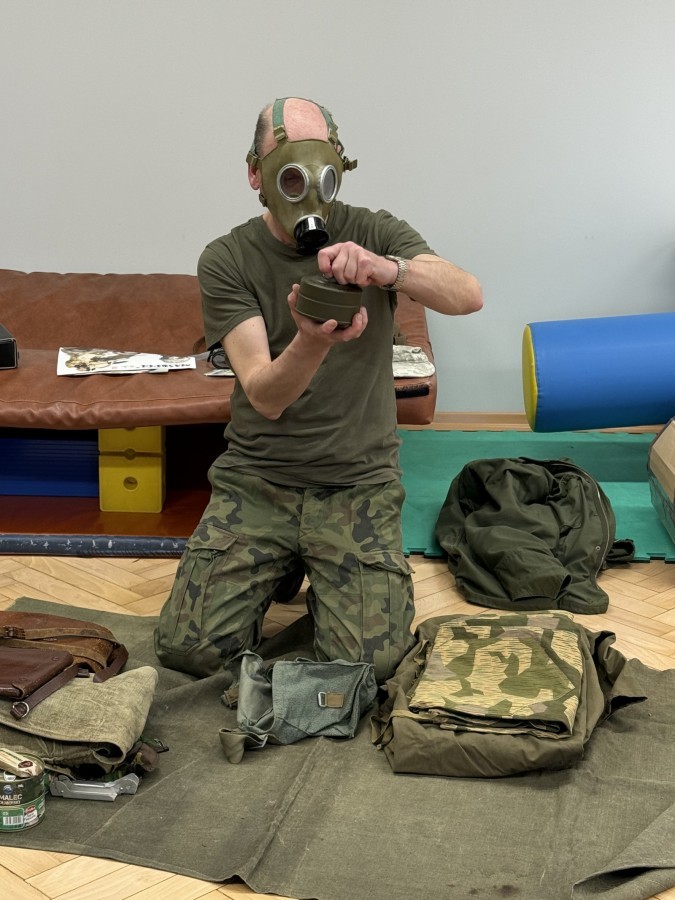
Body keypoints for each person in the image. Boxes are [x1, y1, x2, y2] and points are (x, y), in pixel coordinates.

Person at [154, 97, 482, 683]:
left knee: (371, 664)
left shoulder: (374, 231)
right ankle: (285, 567)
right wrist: (312, 340)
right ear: (255, 174)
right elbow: (266, 395)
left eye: (321, 170)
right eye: (289, 175)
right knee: (190, 652)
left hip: (357, 481)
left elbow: (467, 295)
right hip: (260, 479)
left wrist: (388, 269)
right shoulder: (228, 259)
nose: (306, 189)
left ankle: (321, 578)